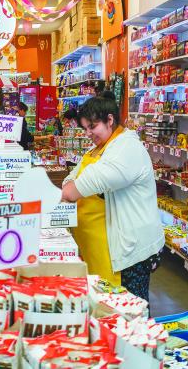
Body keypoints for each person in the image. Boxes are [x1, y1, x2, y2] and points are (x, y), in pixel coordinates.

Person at [60, 91, 163, 301]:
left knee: (130, 310)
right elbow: (71, 177)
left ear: (110, 120)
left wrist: (71, 190)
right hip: (101, 249)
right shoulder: (98, 148)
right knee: (106, 306)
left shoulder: (127, 147)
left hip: (128, 251)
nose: (88, 133)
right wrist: (71, 186)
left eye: (93, 126)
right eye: (85, 128)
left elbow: (90, 181)